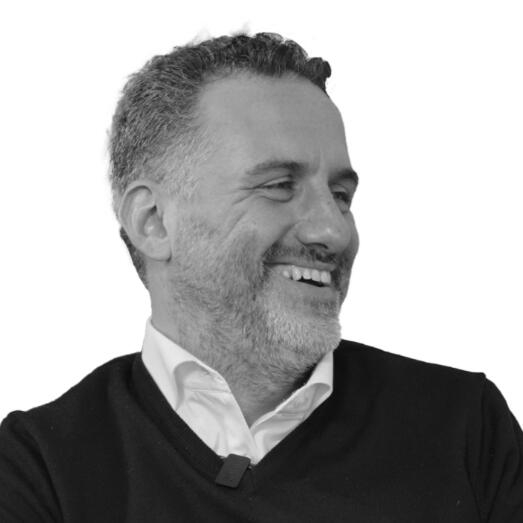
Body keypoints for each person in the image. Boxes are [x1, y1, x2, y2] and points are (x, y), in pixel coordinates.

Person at [0, 32, 521, 522]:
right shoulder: (41, 469)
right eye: (278, 186)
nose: (334, 230)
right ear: (153, 221)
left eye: (341, 196)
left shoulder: (464, 429)